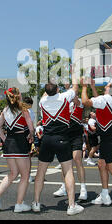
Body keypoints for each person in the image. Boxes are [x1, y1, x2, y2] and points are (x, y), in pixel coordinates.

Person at [32, 82, 84, 216]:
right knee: (68, 171)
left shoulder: (42, 101)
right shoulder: (64, 97)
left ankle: (36, 203)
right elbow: (75, 88)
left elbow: (46, 92)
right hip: (62, 138)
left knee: (40, 172)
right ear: (57, 89)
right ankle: (71, 205)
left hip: (47, 139)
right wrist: (75, 79)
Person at [82, 79, 112, 208]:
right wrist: (93, 87)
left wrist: (84, 87)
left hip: (110, 137)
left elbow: (85, 102)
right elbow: (99, 100)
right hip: (107, 136)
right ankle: (105, 194)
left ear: (111, 89)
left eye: (108, 85)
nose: (106, 86)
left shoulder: (105, 99)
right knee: (101, 164)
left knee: (111, 167)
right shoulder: (108, 99)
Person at [0, 87, 34, 213]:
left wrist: (5, 139)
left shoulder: (5, 110)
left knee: (13, 173)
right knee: (25, 176)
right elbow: (30, 126)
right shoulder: (23, 108)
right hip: (20, 143)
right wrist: (31, 135)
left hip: (9, 144)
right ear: (18, 95)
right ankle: (19, 204)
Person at [53, 95, 88, 201]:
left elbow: (76, 100)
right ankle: (64, 187)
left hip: (76, 136)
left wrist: (73, 92)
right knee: (65, 163)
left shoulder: (79, 103)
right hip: (65, 136)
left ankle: (83, 189)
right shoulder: (64, 104)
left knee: (77, 159)